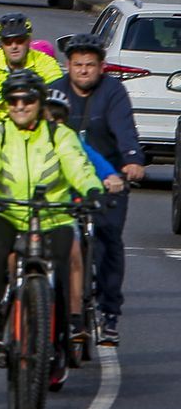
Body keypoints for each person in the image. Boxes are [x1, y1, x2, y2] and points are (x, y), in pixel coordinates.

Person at [0, 70, 103, 388]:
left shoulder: (59, 135)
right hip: (7, 211)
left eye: (27, 99)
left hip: (53, 215)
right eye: (13, 101)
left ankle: (59, 339)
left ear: (39, 103)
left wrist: (92, 188)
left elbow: (77, 165)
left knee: (63, 263)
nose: (19, 106)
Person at [49, 33, 144, 345]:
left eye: (90, 65)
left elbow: (124, 129)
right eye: (78, 65)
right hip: (66, 181)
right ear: (68, 65)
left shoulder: (113, 91)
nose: (84, 71)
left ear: (101, 67)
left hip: (109, 179)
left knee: (107, 240)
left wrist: (131, 161)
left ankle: (109, 312)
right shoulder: (56, 92)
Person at [0, 13, 63, 123]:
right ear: (1, 44)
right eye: (7, 42)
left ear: (29, 40)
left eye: (20, 41)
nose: (14, 46)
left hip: (34, 127)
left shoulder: (46, 62)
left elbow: (56, 98)